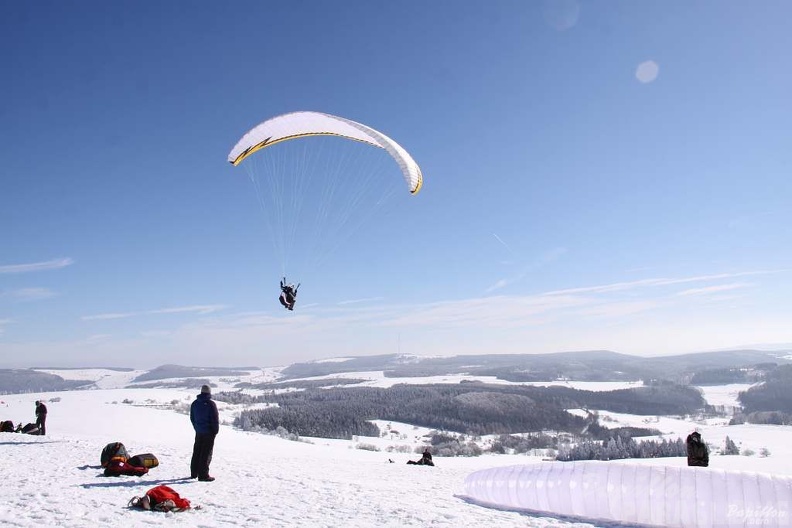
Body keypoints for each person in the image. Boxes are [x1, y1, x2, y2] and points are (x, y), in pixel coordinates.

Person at [190, 385, 219, 482]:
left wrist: (197, 428)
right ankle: (203, 475)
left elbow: (192, 418)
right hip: (209, 432)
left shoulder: (194, 403)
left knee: (197, 451)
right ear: (209, 392)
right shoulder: (211, 404)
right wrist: (215, 431)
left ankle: (194, 472)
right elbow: (215, 419)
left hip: (199, 431)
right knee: (206, 453)